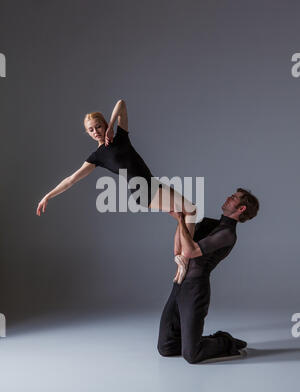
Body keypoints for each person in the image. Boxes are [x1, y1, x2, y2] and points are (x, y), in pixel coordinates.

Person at [36, 99, 197, 277]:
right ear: (87, 133)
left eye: (98, 126)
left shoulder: (121, 136)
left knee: (184, 215)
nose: (95, 132)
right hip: (143, 191)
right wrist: (48, 196)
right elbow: (71, 179)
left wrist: (112, 126)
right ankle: (185, 260)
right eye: (91, 130)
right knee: (190, 210)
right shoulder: (97, 157)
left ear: (104, 124)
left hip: (153, 183)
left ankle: (180, 264)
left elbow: (121, 104)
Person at [157, 188, 259, 364]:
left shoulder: (228, 234)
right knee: (166, 348)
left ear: (241, 209)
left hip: (195, 290)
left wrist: (182, 219)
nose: (228, 197)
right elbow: (180, 247)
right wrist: (180, 220)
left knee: (192, 355)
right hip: (180, 283)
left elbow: (189, 252)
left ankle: (225, 340)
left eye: (234, 198)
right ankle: (192, 340)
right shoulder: (209, 223)